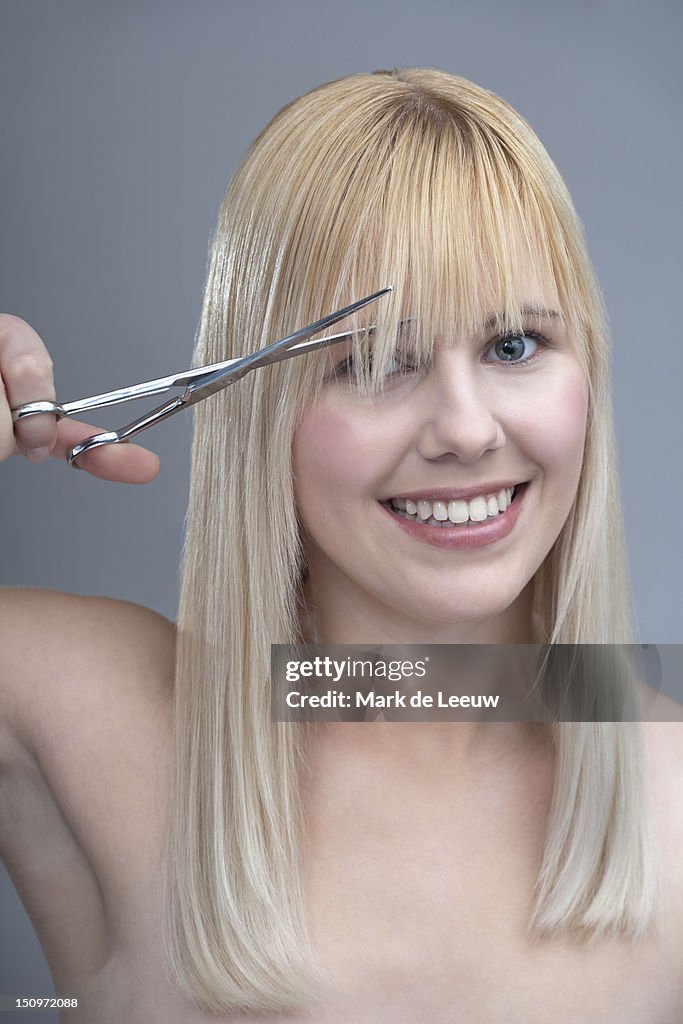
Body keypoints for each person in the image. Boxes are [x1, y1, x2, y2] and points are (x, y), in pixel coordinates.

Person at [1, 67, 681, 1024]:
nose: (465, 430)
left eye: (513, 345)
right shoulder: (78, 713)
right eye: (372, 360)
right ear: (258, 407)